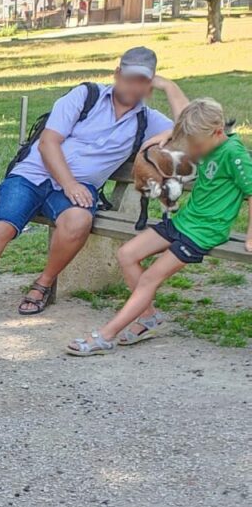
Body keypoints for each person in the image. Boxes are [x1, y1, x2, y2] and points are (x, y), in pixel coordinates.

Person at [0, 47, 181, 326]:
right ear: (117, 73)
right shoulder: (86, 95)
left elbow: (190, 129)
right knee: (2, 225)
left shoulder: (147, 120)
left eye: (142, 80)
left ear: (150, 84)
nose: (134, 86)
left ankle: (43, 283)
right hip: (33, 175)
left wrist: (170, 87)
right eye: (130, 77)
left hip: (80, 186)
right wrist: (69, 183)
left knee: (78, 220)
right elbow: (49, 142)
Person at [68, 100, 252, 354]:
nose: (194, 151)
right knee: (127, 254)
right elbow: (182, 117)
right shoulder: (209, 141)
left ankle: (105, 335)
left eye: (197, 145)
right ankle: (149, 317)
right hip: (184, 221)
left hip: (204, 232)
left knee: (150, 279)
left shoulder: (235, 154)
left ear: (218, 131)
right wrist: (167, 134)